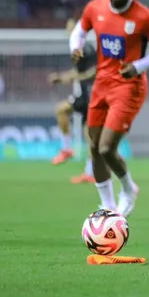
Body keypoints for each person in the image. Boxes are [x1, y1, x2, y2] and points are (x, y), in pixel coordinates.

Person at [69, 0, 149, 216]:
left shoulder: (144, 16)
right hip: (102, 84)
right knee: (93, 147)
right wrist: (75, 47)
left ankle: (128, 189)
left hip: (129, 87)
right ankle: (107, 206)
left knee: (106, 148)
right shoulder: (95, 8)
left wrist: (138, 66)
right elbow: (78, 32)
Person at [48, 18, 98, 184]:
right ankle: (87, 170)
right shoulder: (78, 49)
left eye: (71, 29)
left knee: (63, 111)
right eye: (68, 29)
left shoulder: (86, 48)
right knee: (86, 133)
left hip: (90, 95)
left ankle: (68, 149)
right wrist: (62, 78)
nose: (68, 32)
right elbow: (77, 72)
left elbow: (94, 71)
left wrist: (66, 78)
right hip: (84, 94)